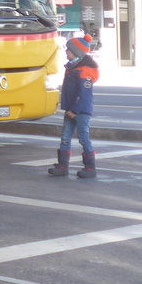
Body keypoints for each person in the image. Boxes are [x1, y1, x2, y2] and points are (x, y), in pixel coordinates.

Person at [48, 33, 99, 179]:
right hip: (71, 109)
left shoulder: (84, 70)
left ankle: (90, 167)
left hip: (80, 111)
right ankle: (62, 166)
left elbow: (84, 94)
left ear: (76, 52)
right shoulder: (72, 67)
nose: (66, 52)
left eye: (69, 50)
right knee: (65, 137)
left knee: (83, 138)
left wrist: (74, 110)